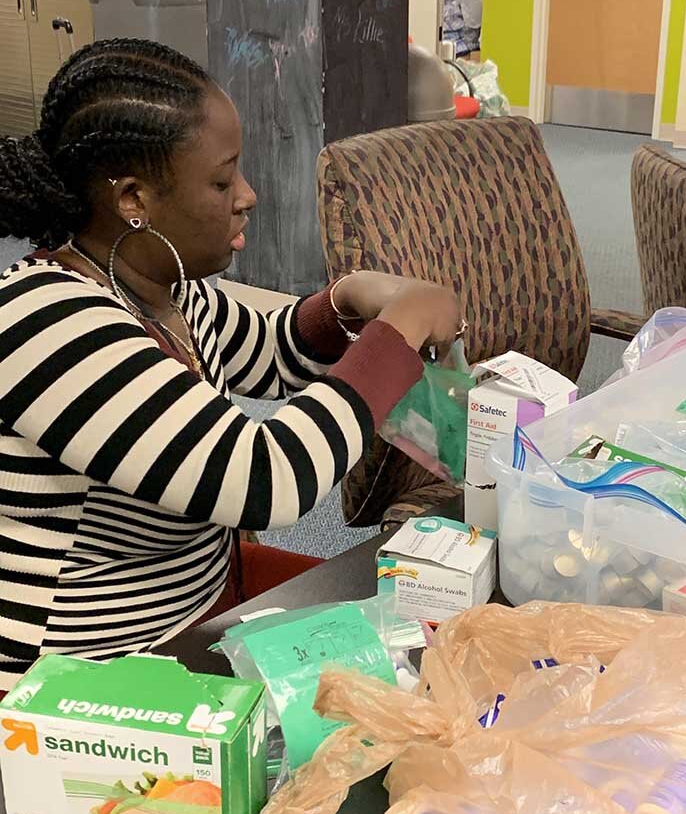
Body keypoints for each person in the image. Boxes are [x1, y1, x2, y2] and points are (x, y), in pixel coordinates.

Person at [0, 38, 461, 690]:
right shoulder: (44, 322)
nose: (247, 196)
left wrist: (344, 302)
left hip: (192, 608)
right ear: (135, 199)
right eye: (222, 180)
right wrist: (398, 334)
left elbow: (267, 351)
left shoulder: (163, 286)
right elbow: (261, 477)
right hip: (83, 673)